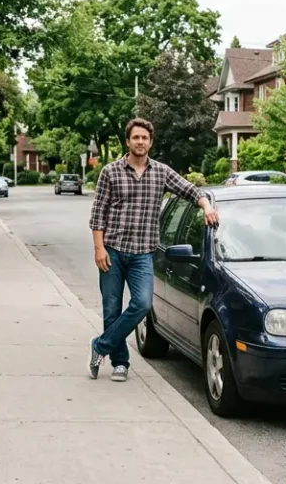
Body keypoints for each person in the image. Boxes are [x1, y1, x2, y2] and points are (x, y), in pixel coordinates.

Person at [87, 118, 218, 382]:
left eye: (144, 138)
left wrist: (206, 206)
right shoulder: (110, 172)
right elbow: (98, 214)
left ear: (150, 142)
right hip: (112, 251)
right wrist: (99, 248)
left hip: (142, 255)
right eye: (135, 137)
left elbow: (190, 190)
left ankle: (100, 345)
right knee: (111, 309)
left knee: (143, 303)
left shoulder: (161, 172)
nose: (140, 142)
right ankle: (120, 363)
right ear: (128, 141)